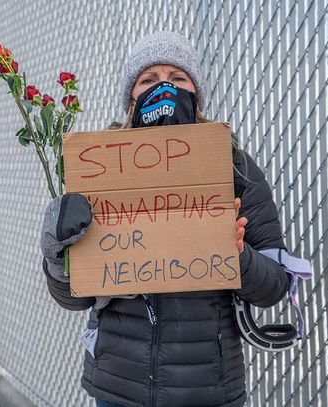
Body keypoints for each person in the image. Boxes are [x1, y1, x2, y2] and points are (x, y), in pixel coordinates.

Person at [40, 32, 291, 406]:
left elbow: (275, 285)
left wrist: (236, 254)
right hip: (118, 389)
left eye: (177, 78)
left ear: (196, 95)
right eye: (149, 80)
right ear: (131, 99)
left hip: (207, 391)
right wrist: (56, 251)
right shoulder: (99, 169)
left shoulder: (233, 166)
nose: (164, 88)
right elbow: (75, 298)